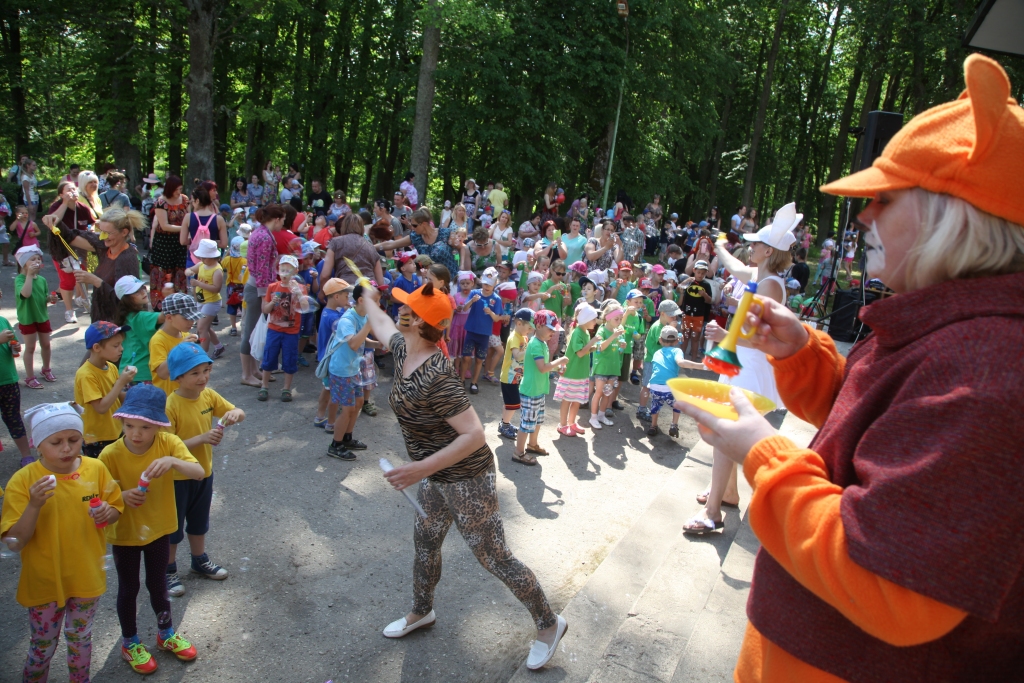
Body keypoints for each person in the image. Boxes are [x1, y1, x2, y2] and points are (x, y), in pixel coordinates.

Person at [677, 54, 1024, 682]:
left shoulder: (987, 369)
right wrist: (802, 354)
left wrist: (763, 452)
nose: (864, 216)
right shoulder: (954, 333)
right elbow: (885, 423)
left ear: (954, 217)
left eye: (885, 199)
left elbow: (891, 584)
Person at [360, 281, 568, 669]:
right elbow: (383, 323)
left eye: (408, 308)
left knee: (494, 557)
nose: (398, 309)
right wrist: (367, 299)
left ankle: (549, 624)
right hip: (436, 475)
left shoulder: (437, 376)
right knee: (426, 542)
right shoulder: (404, 348)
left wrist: (420, 468)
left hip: (467, 478)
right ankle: (422, 611)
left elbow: (474, 434)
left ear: (420, 322)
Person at [685, 204, 797, 535]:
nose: (750, 247)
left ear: (768, 251)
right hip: (742, 364)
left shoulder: (770, 285)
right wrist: (719, 245)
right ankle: (728, 493)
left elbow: (768, 338)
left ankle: (712, 512)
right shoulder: (760, 276)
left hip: (752, 367)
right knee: (726, 430)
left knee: (725, 431)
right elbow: (734, 267)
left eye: (756, 244)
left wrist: (725, 336)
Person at [1, 402, 123, 683]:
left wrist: (108, 512)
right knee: (42, 646)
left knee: (81, 639)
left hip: (86, 575)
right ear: (37, 445)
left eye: (74, 439)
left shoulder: (96, 469)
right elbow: (15, 542)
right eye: (56, 442)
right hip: (45, 581)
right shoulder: (24, 481)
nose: (67, 448)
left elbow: (115, 510)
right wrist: (34, 504)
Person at [100, 385, 204, 674]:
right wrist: (121, 496)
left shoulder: (168, 443)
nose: (136, 434)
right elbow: (97, 496)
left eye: (145, 427)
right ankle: (130, 642)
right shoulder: (109, 455)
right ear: (121, 421)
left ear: (158, 425)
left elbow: (198, 472)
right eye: (129, 425)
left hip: (159, 529)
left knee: (158, 583)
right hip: (125, 534)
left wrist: (173, 461)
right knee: (129, 587)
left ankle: (165, 633)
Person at [164, 342, 245, 597]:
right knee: (173, 528)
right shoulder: (171, 405)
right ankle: (167, 570)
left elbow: (239, 411)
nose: (203, 377)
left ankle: (199, 560)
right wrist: (202, 438)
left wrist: (235, 414)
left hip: (203, 472)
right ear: (178, 377)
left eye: (206, 370)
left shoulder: (208, 395)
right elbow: (167, 447)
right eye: (195, 373)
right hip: (176, 478)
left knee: (199, 522)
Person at [324, 283, 373, 460]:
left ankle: (347, 438)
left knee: (358, 403)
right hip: (341, 370)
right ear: (361, 300)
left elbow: (362, 339)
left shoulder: (364, 315)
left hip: (353, 368)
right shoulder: (347, 320)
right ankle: (335, 445)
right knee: (347, 409)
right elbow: (353, 343)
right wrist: (369, 324)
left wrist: (379, 344)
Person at [239, 204, 286, 387]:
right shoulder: (265, 237)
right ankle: (246, 374)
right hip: (258, 289)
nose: (283, 223)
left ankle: (253, 371)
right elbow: (262, 269)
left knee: (253, 331)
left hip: (256, 287)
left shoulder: (260, 232)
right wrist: (263, 296)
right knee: (250, 332)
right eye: (283, 220)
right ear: (277, 219)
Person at [513, 310, 567, 464]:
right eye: (550, 329)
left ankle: (532, 445)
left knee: (537, 420)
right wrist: (559, 361)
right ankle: (518, 453)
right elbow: (542, 368)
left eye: (554, 329)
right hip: (531, 391)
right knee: (526, 424)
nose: (553, 332)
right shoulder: (536, 344)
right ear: (539, 326)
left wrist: (556, 368)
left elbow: (543, 366)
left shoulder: (542, 343)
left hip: (538, 390)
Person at [76, 321, 134, 457]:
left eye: (121, 344)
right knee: (101, 470)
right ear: (97, 347)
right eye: (116, 345)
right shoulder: (86, 375)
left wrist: (139, 394)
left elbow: (117, 396)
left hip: (115, 430)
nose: (121, 349)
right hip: (96, 438)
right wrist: (121, 382)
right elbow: (101, 408)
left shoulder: (111, 367)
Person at [259, 254, 306, 402]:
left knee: (289, 359)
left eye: (288, 270)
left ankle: (286, 388)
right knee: (269, 357)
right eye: (282, 270)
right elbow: (265, 310)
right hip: (274, 330)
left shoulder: (300, 288)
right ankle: (264, 386)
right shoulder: (272, 287)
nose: (284, 274)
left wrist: (299, 294)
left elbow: (305, 307)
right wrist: (272, 302)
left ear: (296, 272)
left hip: (291, 332)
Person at [645, 326, 703, 437]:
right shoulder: (677, 350)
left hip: (654, 385)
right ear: (677, 341)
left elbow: (656, 369)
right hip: (669, 387)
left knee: (655, 404)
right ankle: (674, 425)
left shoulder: (657, 352)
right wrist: (701, 366)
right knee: (677, 404)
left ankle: (653, 426)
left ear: (660, 340)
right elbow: (680, 363)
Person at [554, 302, 600, 436]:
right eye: (593, 319)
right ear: (586, 319)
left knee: (576, 400)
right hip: (572, 373)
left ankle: (571, 422)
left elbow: (585, 350)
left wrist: (595, 347)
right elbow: (580, 353)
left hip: (580, 374)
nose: (596, 321)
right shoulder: (577, 333)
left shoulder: (585, 332)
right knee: (567, 400)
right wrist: (592, 342)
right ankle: (562, 425)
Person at [13, 246, 55, 389]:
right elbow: (26, 294)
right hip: (27, 318)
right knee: (30, 348)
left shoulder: (42, 280)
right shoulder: (19, 280)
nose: (37, 261)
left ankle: (46, 369)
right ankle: (30, 377)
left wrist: (50, 299)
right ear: (23, 263)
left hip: (42, 316)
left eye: (38, 259)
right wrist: (29, 276)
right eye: (32, 259)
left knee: (46, 345)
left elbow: (43, 297)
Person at [313, 278, 351, 431]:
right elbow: (344, 331)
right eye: (346, 296)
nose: (348, 299)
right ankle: (329, 421)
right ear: (336, 297)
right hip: (331, 359)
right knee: (332, 391)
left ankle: (320, 416)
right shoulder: (333, 318)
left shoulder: (328, 312)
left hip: (326, 357)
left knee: (327, 389)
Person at [378, 207, 459, 277]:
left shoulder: (445, 233)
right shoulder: (415, 237)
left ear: (424, 224)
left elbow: (462, 248)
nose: (412, 228)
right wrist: (372, 247)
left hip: (451, 279)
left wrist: (461, 266)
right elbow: (392, 244)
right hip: (431, 281)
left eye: (414, 225)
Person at [0, 293, 32, 466]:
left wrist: (15, 346)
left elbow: (11, 346)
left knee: (13, 417)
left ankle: (26, 455)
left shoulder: (3, 321)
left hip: (8, 380)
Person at [637, 299, 681, 422]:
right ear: (662, 314)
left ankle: (646, 409)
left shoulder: (665, 326)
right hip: (652, 361)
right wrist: (671, 330)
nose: (674, 318)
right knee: (647, 386)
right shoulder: (659, 327)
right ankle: (641, 409)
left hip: (658, 361)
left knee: (652, 386)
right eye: (671, 315)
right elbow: (663, 343)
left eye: (675, 315)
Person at [149, 176, 190, 308]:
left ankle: (180, 303)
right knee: (162, 272)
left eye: (180, 189)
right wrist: (184, 228)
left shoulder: (185, 199)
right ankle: (160, 305)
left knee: (180, 271)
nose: (179, 192)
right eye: (176, 189)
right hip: (163, 243)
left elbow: (189, 217)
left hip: (180, 243)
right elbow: (164, 225)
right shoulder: (161, 202)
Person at [150, 293, 201, 397]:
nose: (191, 322)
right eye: (186, 318)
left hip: (186, 395)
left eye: (193, 317)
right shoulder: (158, 340)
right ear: (169, 318)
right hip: (167, 398)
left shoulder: (185, 336)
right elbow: (162, 374)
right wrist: (179, 349)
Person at [115, 275, 163, 385]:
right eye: (136, 291)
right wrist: (170, 297)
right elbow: (165, 316)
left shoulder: (127, 316)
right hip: (141, 374)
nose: (143, 292)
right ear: (126, 299)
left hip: (128, 371)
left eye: (142, 288)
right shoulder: (139, 317)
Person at [184, 239, 226, 358]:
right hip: (201, 300)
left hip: (212, 302)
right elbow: (190, 269)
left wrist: (198, 283)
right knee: (205, 327)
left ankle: (203, 355)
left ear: (213, 257)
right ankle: (219, 347)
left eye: (204, 257)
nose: (202, 259)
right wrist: (189, 271)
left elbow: (216, 288)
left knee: (201, 328)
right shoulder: (202, 265)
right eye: (201, 257)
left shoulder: (217, 270)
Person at [496, 308, 533, 441]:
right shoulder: (514, 338)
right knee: (513, 403)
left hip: (516, 377)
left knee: (509, 403)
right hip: (509, 377)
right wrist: (530, 350)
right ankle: (504, 426)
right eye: (529, 327)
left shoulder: (523, 336)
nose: (530, 331)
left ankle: (505, 423)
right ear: (519, 323)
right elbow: (517, 356)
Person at [588, 303, 625, 429]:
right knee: (598, 392)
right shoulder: (602, 330)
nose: (619, 322)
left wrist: (622, 347)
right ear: (608, 318)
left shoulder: (618, 332)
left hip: (613, 368)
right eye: (617, 319)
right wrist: (613, 336)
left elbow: (618, 351)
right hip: (602, 368)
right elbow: (600, 348)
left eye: (621, 319)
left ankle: (601, 415)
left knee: (607, 393)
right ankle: (593, 417)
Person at [322, 213, 385, 286]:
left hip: (345, 288)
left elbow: (325, 275)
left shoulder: (335, 243)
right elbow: (380, 282)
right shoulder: (371, 247)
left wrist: (323, 291)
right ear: (362, 227)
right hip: (369, 289)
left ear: (344, 226)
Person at [181, 181, 227, 267]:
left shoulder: (188, 217)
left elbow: (183, 241)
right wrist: (210, 242)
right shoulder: (219, 219)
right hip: (212, 261)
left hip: (192, 260)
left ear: (197, 200)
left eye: (193, 201)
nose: (192, 203)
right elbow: (224, 244)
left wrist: (196, 242)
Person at [679, 260, 713, 360]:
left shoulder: (706, 285)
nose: (700, 275)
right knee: (685, 336)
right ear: (694, 270)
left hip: (699, 315)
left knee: (695, 338)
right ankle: (680, 358)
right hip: (687, 313)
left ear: (706, 273)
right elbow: (678, 289)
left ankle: (693, 360)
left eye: (703, 273)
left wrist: (704, 295)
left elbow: (709, 301)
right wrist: (686, 281)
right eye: (698, 272)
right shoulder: (689, 281)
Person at [222, 236, 247, 336]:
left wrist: (227, 253)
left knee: (232, 307)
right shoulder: (244, 261)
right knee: (243, 307)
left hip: (231, 287)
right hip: (242, 286)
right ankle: (244, 326)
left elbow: (222, 263)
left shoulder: (227, 259)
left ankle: (233, 328)